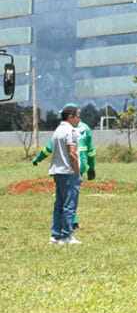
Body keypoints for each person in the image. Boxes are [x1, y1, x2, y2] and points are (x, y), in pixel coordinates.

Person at [32, 102, 96, 230]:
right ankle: (70, 224)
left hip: (68, 165)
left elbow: (48, 149)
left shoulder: (63, 130)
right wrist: (91, 167)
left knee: (65, 197)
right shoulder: (86, 128)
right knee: (71, 194)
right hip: (81, 162)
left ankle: (70, 224)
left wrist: (38, 158)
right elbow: (91, 150)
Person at [47, 104, 82, 244]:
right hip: (68, 172)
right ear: (70, 117)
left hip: (58, 171)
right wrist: (77, 170)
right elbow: (72, 153)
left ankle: (55, 235)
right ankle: (67, 235)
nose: (79, 119)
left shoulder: (57, 131)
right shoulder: (71, 131)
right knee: (69, 204)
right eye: (78, 116)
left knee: (59, 204)